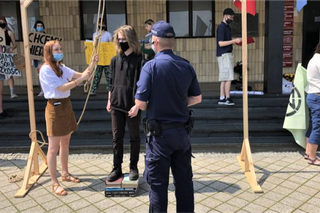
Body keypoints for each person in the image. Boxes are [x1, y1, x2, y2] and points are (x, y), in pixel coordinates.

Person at [128, 20, 202, 213]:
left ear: (155, 41)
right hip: (182, 135)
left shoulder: (150, 67)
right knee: (184, 183)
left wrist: (159, 103)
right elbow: (197, 97)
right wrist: (177, 103)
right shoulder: (185, 66)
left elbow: (141, 103)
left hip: (159, 137)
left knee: (158, 185)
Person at [39, 40, 98, 196]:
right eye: (56, 50)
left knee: (65, 141)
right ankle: (54, 182)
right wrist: (79, 80)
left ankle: (65, 173)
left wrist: (92, 63)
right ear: (49, 53)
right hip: (54, 107)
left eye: (60, 49)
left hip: (66, 104)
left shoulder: (61, 67)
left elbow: (83, 74)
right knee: (53, 148)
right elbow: (62, 87)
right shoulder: (45, 70)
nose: (59, 51)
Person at [106, 25, 142, 182]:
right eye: (119, 39)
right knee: (117, 138)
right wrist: (109, 100)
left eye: (124, 39)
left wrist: (138, 105)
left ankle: (133, 167)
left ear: (131, 39)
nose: (121, 42)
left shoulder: (140, 60)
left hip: (133, 105)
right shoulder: (114, 60)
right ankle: (116, 167)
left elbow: (144, 86)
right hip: (116, 104)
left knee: (134, 137)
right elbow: (111, 82)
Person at [216, 8, 241, 105]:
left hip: (226, 54)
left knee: (224, 77)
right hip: (224, 54)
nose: (231, 19)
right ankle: (227, 98)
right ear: (225, 15)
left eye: (232, 17)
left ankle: (222, 97)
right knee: (229, 77)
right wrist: (233, 41)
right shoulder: (221, 28)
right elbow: (221, 43)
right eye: (230, 17)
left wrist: (234, 42)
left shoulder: (227, 27)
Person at [304, 42, 320, 166]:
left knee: (313, 125)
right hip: (317, 96)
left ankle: (308, 152)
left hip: (312, 95)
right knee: (318, 127)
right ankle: (313, 158)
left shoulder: (314, 59)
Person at [90, 19, 113, 96]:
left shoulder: (108, 34)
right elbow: (93, 45)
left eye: (102, 23)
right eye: (99, 23)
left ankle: (109, 90)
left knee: (108, 75)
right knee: (97, 74)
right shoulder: (95, 34)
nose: (101, 25)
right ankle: (93, 90)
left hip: (106, 58)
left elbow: (111, 45)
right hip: (98, 58)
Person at [0, 16, 18, 99]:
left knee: (9, 73)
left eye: (3, 22)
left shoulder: (9, 32)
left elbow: (15, 44)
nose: (1, 23)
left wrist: (11, 48)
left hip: (7, 52)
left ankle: (12, 93)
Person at [33, 20, 46, 96]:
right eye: (38, 26)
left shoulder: (46, 37)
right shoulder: (33, 37)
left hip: (45, 58)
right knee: (40, 75)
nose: (39, 27)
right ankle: (42, 90)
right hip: (37, 59)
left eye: (41, 26)